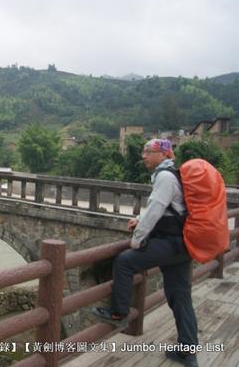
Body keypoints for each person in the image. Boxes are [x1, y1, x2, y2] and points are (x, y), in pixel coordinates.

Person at [91, 138, 198, 367]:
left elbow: (156, 210)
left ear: (163, 154)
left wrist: (137, 241)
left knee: (125, 261)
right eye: (144, 151)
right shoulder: (173, 176)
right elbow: (163, 209)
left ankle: (118, 313)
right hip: (183, 246)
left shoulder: (165, 177)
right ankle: (188, 352)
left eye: (148, 151)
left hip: (170, 244)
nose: (143, 156)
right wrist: (138, 220)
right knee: (181, 298)